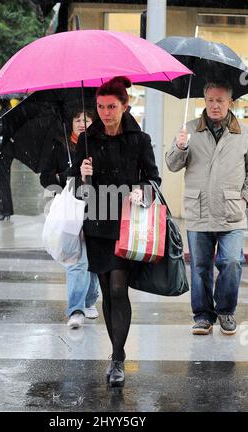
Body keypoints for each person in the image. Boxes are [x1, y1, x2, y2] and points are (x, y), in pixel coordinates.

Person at [71, 76, 161, 387]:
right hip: (97, 223)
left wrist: (143, 193)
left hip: (126, 224)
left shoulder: (140, 139)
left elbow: (153, 181)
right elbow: (77, 194)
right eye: (100, 107)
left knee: (118, 289)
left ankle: (118, 357)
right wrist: (82, 179)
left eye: (111, 106)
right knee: (107, 291)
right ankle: (116, 353)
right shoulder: (86, 141)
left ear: (125, 105)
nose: (105, 112)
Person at [165, 81, 248, 336]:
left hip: (231, 211)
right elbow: (171, 165)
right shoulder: (188, 130)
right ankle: (202, 315)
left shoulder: (243, 133)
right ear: (204, 100)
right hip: (199, 210)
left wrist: (243, 198)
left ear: (230, 103)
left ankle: (225, 311)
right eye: (210, 100)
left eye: (220, 101)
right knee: (200, 267)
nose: (214, 105)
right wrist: (180, 147)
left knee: (232, 261)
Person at [40, 109, 100, 329]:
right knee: (76, 260)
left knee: (93, 258)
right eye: (77, 119)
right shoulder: (59, 145)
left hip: (98, 208)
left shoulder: (99, 144)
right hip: (69, 210)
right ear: (71, 123)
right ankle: (76, 308)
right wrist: (68, 177)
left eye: (87, 119)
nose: (82, 123)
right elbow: (46, 179)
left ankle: (90, 299)